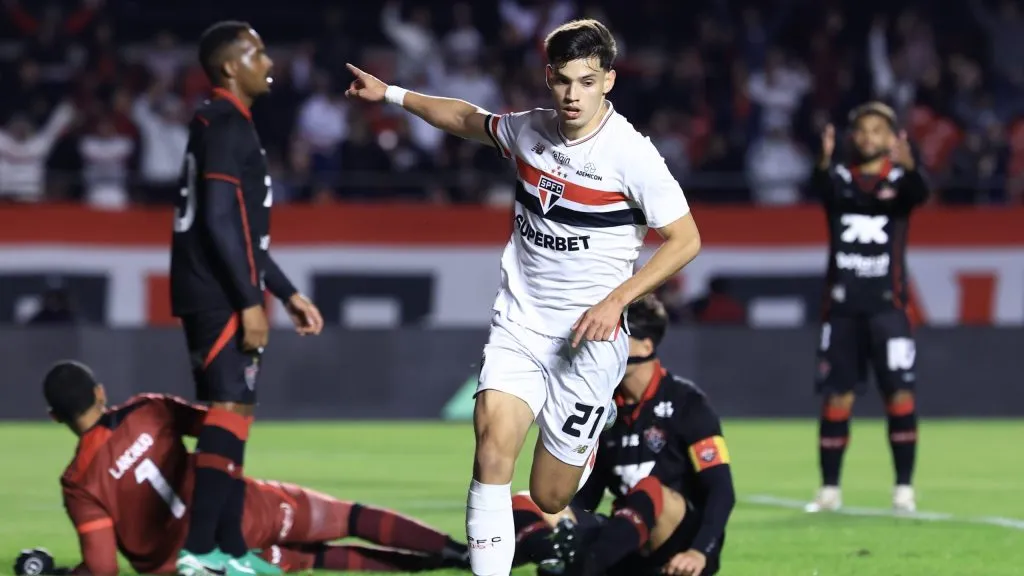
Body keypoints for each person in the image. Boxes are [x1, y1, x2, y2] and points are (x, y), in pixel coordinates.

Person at [345, 19, 701, 576]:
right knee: (491, 445)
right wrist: (391, 94)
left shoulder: (633, 156)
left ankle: (583, 443)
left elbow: (686, 239)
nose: (572, 95)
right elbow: (466, 119)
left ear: (608, 80)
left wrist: (616, 302)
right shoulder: (530, 130)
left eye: (586, 81)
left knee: (552, 496)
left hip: (589, 341)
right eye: (562, 81)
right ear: (548, 78)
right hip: (522, 323)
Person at [38, 361, 469, 576]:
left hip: (192, 567)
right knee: (344, 517)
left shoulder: (78, 482)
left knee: (314, 560)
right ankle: (455, 552)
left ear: (55, 417)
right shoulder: (148, 410)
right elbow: (221, 425)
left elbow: (102, 569)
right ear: (99, 392)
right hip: (238, 511)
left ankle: (438, 563)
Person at [169, 21, 325, 576]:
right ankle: (198, 550)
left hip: (216, 289)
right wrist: (249, 302)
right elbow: (217, 222)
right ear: (231, 67)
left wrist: (285, 292)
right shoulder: (226, 125)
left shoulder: (221, 122)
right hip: (217, 294)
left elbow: (242, 229)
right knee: (228, 407)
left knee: (236, 412)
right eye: (256, 52)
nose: (268, 61)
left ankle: (230, 549)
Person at [511, 295, 735, 576]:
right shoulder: (604, 409)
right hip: (624, 536)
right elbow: (586, 497)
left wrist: (700, 551)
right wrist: (563, 519)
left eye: (618, 336)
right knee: (528, 502)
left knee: (649, 489)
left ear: (646, 345)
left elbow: (721, 490)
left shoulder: (688, 403)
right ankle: (541, 561)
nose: (607, 343)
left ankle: (579, 569)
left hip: (680, 543)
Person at [806, 102, 929, 514]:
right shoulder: (839, 179)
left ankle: (904, 489)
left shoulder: (900, 182)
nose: (869, 137)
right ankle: (829, 490)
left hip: (888, 310)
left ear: (892, 138)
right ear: (852, 136)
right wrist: (823, 160)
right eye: (862, 130)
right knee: (837, 399)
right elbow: (817, 184)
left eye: (878, 130)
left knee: (899, 396)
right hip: (842, 310)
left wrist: (911, 168)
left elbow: (919, 194)